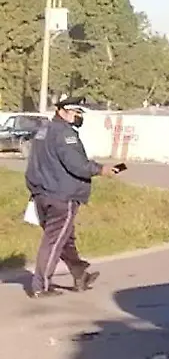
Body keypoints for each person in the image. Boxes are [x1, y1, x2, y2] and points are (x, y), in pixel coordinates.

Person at [24, 97, 117, 298]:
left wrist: (34, 188)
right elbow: (77, 165)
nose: (78, 117)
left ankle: (79, 274)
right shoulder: (66, 135)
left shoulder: (43, 131)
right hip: (61, 196)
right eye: (76, 113)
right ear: (63, 111)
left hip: (42, 193)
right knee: (54, 241)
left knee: (65, 238)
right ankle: (41, 286)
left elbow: (33, 164)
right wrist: (102, 169)